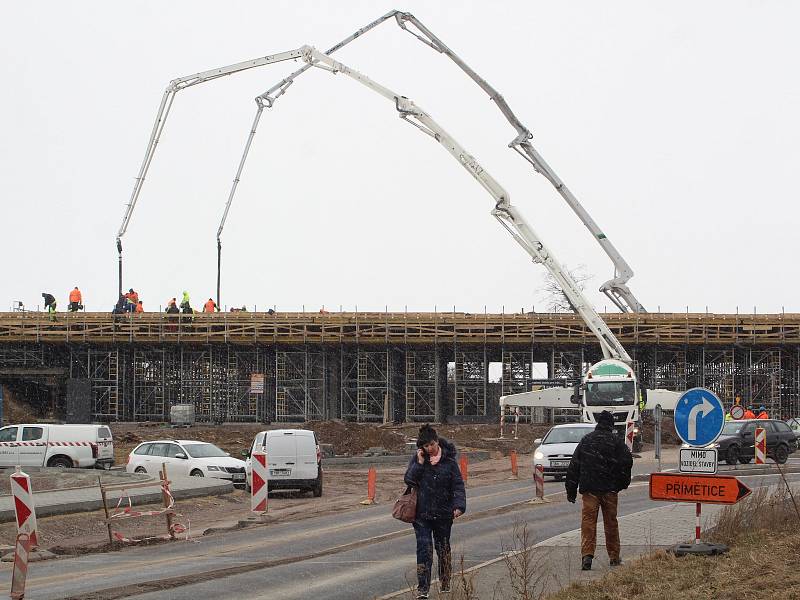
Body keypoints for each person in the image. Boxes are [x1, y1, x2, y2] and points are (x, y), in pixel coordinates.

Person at [565, 410, 633, 571]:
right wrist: (621, 484)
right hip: (609, 489)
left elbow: (574, 466)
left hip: (590, 490)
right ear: (611, 425)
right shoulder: (616, 442)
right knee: (611, 523)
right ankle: (614, 557)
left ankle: (587, 556)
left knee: (588, 522)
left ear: (598, 423)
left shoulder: (586, 441)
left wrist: (571, 490)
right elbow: (627, 463)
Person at [404, 424, 466, 599]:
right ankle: (423, 588)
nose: (429, 449)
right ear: (421, 447)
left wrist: (459, 506)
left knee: (443, 548)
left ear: (437, 442)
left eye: (431, 444)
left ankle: (445, 580)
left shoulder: (449, 462)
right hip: (421, 515)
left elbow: (458, 486)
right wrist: (419, 464)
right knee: (424, 550)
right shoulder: (418, 460)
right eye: (425, 446)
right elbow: (408, 479)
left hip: (444, 514)